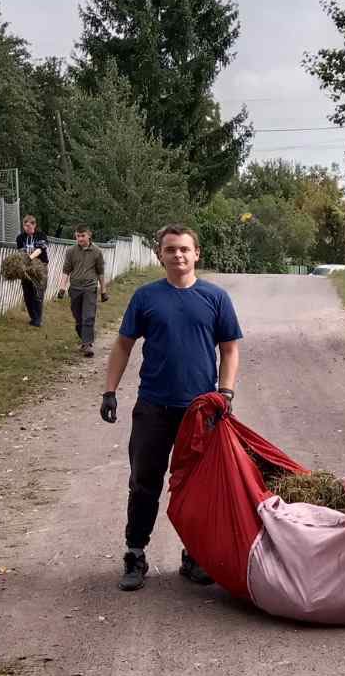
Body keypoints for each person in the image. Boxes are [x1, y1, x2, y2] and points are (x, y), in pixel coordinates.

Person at [99, 224, 243, 592]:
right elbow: (123, 345)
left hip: (200, 411)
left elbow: (229, 349)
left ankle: (194, 555)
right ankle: (135, 554)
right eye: (170, 249)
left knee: (196, 486)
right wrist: (109, 391)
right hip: (153, 407)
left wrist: (225, 394)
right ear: (160, 255)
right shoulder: (146, 297)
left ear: (197, 254)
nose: (178, 255)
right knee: (144, 483)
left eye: (184, 249)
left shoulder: (215, 298)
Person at [58, 225, 107, 358]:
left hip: (90, 288)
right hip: (75, 288)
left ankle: (87, 345)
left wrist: (103, 291)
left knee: (88, 316)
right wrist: (62, 288)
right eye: (78, 236)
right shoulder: (71, 251)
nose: (80, 239)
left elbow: (100, 272)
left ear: (89, 235)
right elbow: (66, 270)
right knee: (78, 318)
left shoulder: (97, 252)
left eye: (83, 236)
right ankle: (85, 338)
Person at [15, 214, 49, 328]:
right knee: (27, 293)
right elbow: (21, 252)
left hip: (40, 266)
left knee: (38, 292)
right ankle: (33, 317)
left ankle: (38, 319)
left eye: (29, 226)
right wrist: (24, 262)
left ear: (34, 225)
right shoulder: (20, 238)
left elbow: (40, 250)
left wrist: (29, 258)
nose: (27, 228)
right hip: (26, 268)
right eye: (25, 226)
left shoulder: (41, 235)